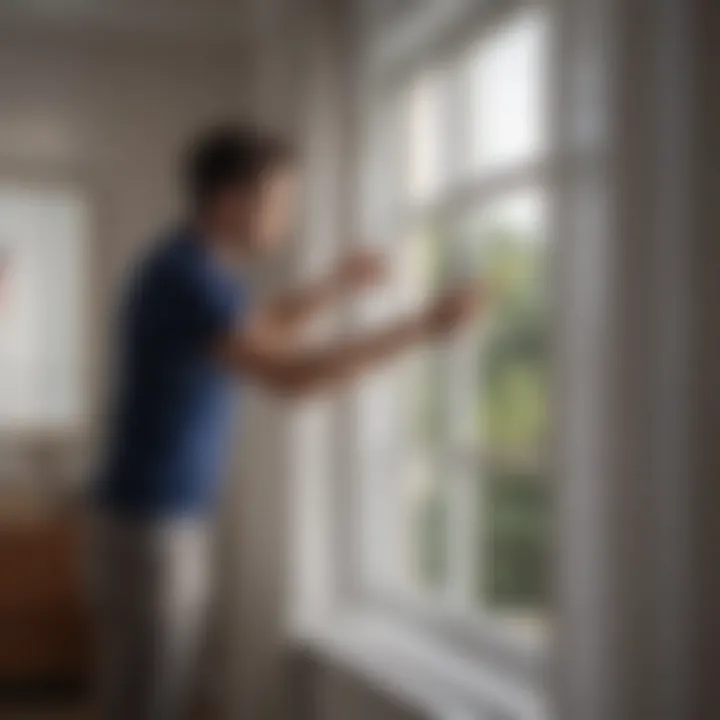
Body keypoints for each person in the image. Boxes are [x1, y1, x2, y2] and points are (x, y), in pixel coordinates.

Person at [91, 124, 483, 720]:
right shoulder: (188, 277)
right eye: (280, 202)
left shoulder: (191, 269)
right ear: (230, 200)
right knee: (146, 703)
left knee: (139, 695)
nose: (288, 217)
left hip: (146, 520)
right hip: (153, 529)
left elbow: (263, 326)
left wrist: (336, 286)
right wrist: (423, 328)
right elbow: (295, 377)